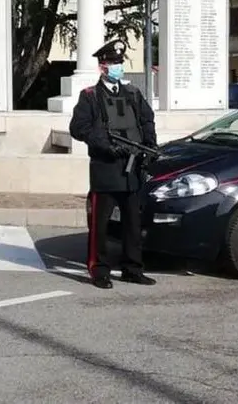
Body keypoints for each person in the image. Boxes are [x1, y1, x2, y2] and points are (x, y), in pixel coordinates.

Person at [69, 39, 158, 289]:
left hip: (132, 169)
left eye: (120, 62)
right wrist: (105, 146)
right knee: (101, 225)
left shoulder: (132, 93)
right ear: (102, 67)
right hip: (106, 169)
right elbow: (79, 128)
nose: (118, 66)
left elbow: (146, 120)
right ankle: (99, 270)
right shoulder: (90, 96)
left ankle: (132, 269)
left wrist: (150, 145)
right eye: (113, 63)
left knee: (132, 223)